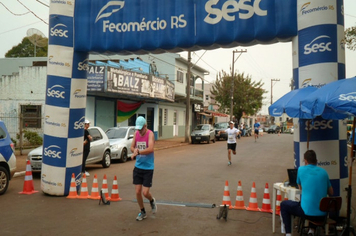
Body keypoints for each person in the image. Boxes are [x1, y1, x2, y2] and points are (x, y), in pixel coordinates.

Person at [280, 150, 333, 236]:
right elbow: (331, 192)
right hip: (323, 214)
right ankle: (311, 230)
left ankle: (288, 234)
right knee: (315, 202)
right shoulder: (324, 172)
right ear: (316, 160)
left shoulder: (301, 169)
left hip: (307, 213)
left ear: (305, 161)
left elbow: (300, 188)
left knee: (284, 205)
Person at [130, 116, 157, 221]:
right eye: (138, 129)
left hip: (148, 167)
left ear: (145, 126)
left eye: (141, 129)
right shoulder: (136, 134)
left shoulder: (150, 134)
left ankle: (151, 200)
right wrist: (134, 150)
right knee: (137, 192)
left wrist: (139, 152)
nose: (139, 131)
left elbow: (150, 149)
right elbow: (132, 146)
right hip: (138, 166)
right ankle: (142, 211)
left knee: (145, 193)